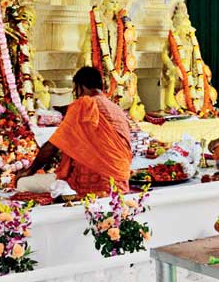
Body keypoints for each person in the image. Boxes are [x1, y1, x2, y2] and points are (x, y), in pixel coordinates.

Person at [16, 66, 132, 194]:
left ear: (80, 87)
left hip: (94, 183)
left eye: (75, 90)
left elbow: (52, 147)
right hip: (120, 182)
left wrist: (29, 171)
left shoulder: (83, 105)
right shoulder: (115, 109)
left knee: (22, 183)